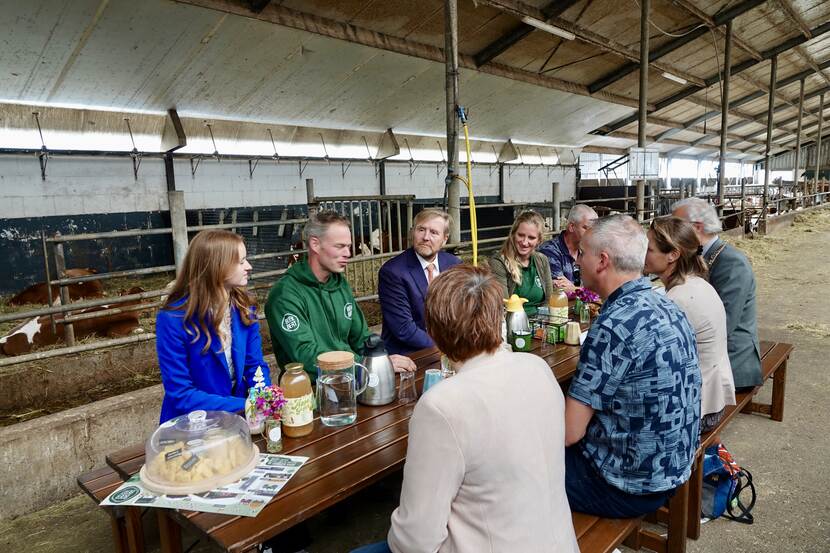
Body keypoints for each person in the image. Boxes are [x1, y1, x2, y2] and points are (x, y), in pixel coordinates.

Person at [353, 264, 579, 553]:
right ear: (498, 316)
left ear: (433, 331)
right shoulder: (538, 367)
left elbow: (415, 541)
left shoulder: (442, 406)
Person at [564, 215, 701, 518]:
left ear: (602, 261)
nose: (577, 260)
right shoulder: (667, 305)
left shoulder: (613, 325)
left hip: (624, 486)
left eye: (582, 253)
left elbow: (568, 432)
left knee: (518, 467)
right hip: (673, 469)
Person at [265, 211, 415, 379]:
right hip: (313, 388)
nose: (348, 253)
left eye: (348, 246)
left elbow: (362, 338)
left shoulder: (339, 283)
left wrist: (380, 360)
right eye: (339, 246)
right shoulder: (285, 295)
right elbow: (306, 357)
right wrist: (366, 366)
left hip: (351, 378)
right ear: (315, 244)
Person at [155, 230, 271, 423]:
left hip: (241, 418)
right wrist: (247, 405)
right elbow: (181, 394)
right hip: (193, 424)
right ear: (217, 266)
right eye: (241, 262)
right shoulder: (173, 319)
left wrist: (264, 400)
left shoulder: (244, 307)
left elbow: (255, 365)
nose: (249, 267)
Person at [645, 216, 736, 434]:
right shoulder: (696, 284)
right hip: (713, 399)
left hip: (699, 410)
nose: (642, 254)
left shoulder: (678, 300)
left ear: (673, 255)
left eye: (649, 249)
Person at [672, 197, 762, 390]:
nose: (672, 233)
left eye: (677, 226)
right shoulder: (702, 255)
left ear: (696, 227)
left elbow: (724, 324)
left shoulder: (732, 263)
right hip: (713, 351)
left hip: (732, 360)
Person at [378, 208, 461, 355]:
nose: (426, 237)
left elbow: (462, 311)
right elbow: (404, 328)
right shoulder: (393, 272)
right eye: (421, 229)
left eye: (434, 232)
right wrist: (445, 348)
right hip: (409, 354)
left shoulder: (454, 265)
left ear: (445, 239)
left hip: (449, 348)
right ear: (412, 232)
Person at [488, 210, 553, 315]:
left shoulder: (542, 260)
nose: (524, 242)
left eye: (531, 237)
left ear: (539, 240)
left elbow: (549, 299)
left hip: (540, 322)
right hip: (513, 322)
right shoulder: (499, 263)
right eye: (521, 235)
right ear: (513, 234)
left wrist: (541, 322)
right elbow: (504, 305)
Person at [539, 204, 598, 291]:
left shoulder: (590, 249)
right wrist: (586, 291)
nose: (591, 233)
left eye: (594, 229)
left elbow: (597, 284)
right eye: (586, 228)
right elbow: (560, 289)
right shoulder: (549, 250)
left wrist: (574, 288)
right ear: (571, 227)